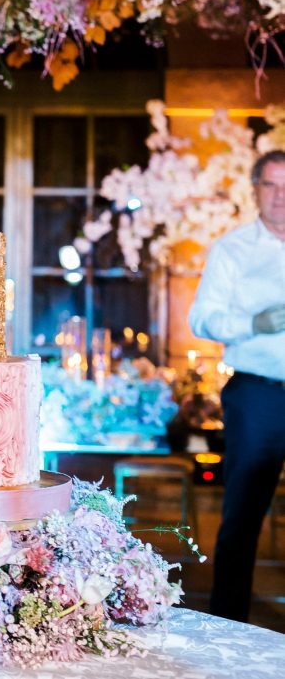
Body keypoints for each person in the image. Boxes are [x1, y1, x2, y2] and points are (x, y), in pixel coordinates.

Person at [190, 149, 285, 623]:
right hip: (258, 396)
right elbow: (201, 318)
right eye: (271, 185)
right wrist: (254, 323)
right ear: (255, 191)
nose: (281, 196)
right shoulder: (232, 249)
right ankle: (228, 626)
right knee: (244, 516)